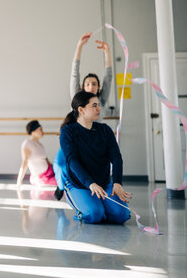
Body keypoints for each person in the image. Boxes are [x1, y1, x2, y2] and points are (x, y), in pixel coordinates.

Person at [53, 32, 113, 199]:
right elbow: (74, 73)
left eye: (94, 84)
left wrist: (107, 52)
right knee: (60, 162)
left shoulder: (101, 99)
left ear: (98, 87)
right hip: (76, 138)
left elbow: (109, 78)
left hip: (94, 142)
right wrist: (79, 46)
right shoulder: (77, 96)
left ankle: (94, 189)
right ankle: (61, 186)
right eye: (87, 83)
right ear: (83, 86)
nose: (91, 86)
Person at [59, 91, 132, 224]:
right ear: (81, 109)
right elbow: (72, 161)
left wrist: (117, 183)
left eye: (99, 105)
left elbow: (116, 158)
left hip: (103, 185)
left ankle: (101, 206)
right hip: (79, 185)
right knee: (94, 215)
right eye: (94, 105)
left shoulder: (105, 130)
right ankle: (86, 206)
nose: (99, 109)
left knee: (122, 215)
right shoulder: (68, 131)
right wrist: (90, 184)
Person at [16, 120, 57, 187]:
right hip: (42, 178)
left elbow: (46, 160)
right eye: (40, 129)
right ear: (33, 131)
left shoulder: (40, 144)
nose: (42, 132)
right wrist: (19, 182)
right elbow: (24, 162)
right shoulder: (27, 143)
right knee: (63, 183)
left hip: (49, 172)